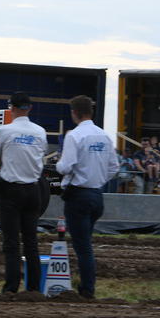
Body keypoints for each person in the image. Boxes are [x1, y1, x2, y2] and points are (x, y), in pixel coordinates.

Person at [56, 95, 119, 299]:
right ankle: (85, 284)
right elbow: (114, 167)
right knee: (85, 243)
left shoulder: (74, 136)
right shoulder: (104, 136)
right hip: (96, 195)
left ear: (74, 113)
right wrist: (98, 178)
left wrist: (57, 163)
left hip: (78, 197)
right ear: (90, 112)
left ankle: (87, 289)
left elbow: (65, 167)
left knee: (82, 246)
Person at [0, 91, 47, 294]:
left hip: (10, 191)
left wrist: (1, 161)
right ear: (29, 108)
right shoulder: (40, 132)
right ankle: (33, 289)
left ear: (11, 108)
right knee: (31, 243)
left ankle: (11, 288)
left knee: (12, 243)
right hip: (33, 190)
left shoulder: (3, 131)